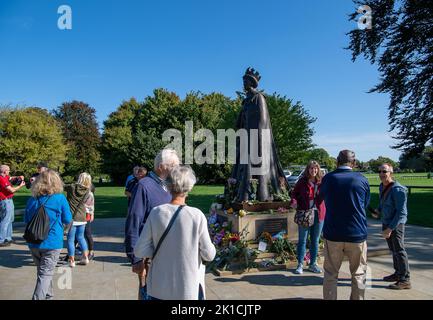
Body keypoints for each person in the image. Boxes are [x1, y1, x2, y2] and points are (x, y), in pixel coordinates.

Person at [134, 165, 216, 300]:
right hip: (187, 288)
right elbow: (209, 254)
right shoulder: (196, 215)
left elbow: (139, 250)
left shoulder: (156, 212)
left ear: (167, 185)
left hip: (159, 287)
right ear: (190, 187)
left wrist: (160, 253)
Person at [125, 148, 180, 300]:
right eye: (174, 165)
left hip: (166, 254)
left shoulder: (170, 186)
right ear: (161, 166)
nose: (177, 169)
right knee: (147, 294)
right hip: (148, 256)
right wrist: (135, 259)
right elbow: (133, 222)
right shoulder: (144, 186)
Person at [320, 150, 370, 300]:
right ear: (354, 163)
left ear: (337, 161)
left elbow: (323, 198)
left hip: (333, 233)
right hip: (356, 233)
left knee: (330, 274)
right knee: (359, 273)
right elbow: (365, 204)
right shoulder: (362, 179)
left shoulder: (328, 179)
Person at [24, 170, 72, 300]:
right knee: (45, 274)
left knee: (43, 273)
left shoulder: (32, 199)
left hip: (33, 241)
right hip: (52, 242)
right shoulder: (60, 198)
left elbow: (26, 220)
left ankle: (49, 296)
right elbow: (68, 219)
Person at [372, 163, 411, 290]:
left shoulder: (398, 189)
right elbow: (383, 203)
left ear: (391, 173)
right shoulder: (382, 186)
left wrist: (390, 228)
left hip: (396, 225)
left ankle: (405, 280)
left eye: (385, 171)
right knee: (393, 250)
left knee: (399, 250)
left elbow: (402, 213)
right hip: (386, 222)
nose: (382, 174)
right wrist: (378, 210)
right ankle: (398, 273)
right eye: (380, 171)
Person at [290, 160, 326, 274]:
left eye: (316, 168)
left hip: (318, 214)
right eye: (311, 168)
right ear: (308, 169)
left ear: (318, 170)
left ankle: (313, 264)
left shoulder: (322, 182)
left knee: (315, 240)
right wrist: (294, 201)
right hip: (305, 214)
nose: (314, 170)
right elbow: (294, 194)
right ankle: (300, 264)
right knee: (302, 240)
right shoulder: (302, 182)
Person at [65, 172, 93, 267]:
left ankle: (71, 260)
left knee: (70, 239)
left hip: (72, 217)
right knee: (81, 237)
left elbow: (61, 186)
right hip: (82, 216)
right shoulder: (88, 191)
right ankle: (85, 257)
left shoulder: (72, 187)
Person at [0, 164, 26, 247]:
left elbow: (11, 178)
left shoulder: (5, 177)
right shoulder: (1, 179)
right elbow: (11, 190)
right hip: (5, 201)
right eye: (8, 170)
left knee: (10, 219)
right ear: (4, 171)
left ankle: (8, 238)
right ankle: (1, 240)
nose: (9, 172)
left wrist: (19, 177)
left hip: (9, 200)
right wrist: (20, 186)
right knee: (5, 220)